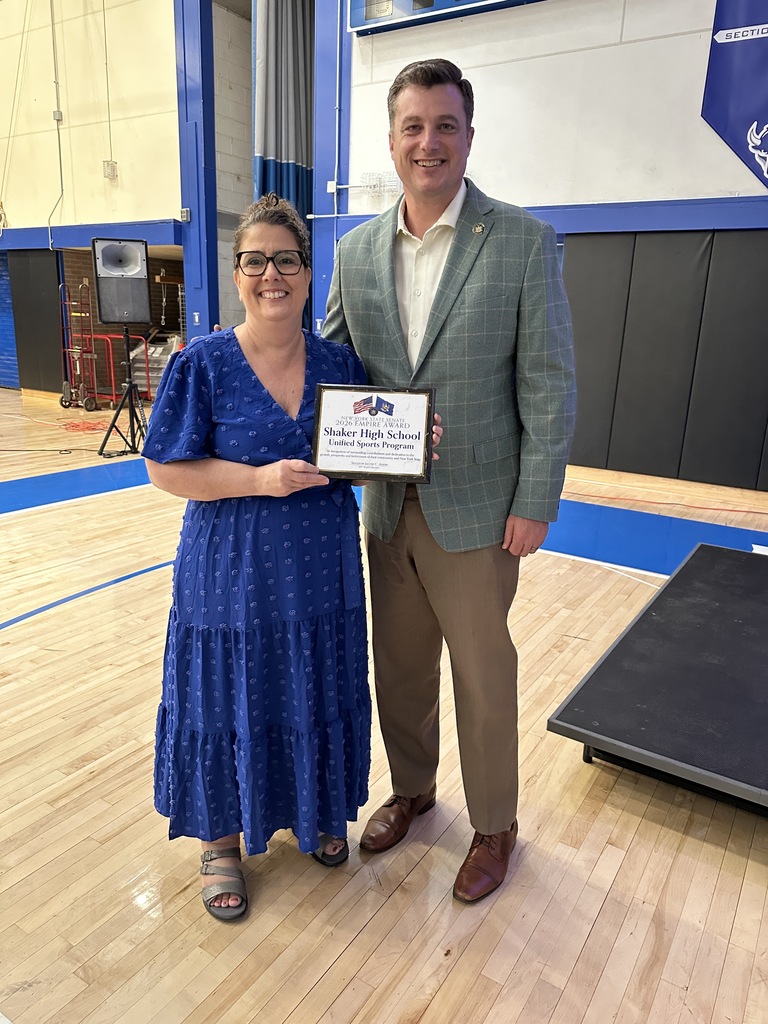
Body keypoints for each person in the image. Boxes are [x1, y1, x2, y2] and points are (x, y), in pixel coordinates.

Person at [323, 59, 576, 903]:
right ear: (392, 140)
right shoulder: (354, 251)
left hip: (478, 509)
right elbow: (330, 368)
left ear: (469, 136)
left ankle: (496, 826)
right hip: (387, 504)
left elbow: (547, 381)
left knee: (481, 675)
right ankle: (414, 789)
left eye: (445, 126)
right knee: (397, 670)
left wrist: (536, 499)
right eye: (412, 127)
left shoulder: (522, 242)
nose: (428, 142)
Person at [143, 193, 372, 921]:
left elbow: (360, 459)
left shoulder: (340, 361)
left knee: (314, 682)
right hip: (229, 572)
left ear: (308, 273)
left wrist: (406, 451)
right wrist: (258, 481)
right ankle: (219, 840)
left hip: (318, 569)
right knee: (225, 694)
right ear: (237, 273)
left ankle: (315, 813)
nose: (271, 275)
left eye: (287, 260)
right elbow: (165, 470)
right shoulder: (202, 364)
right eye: (255, 261)